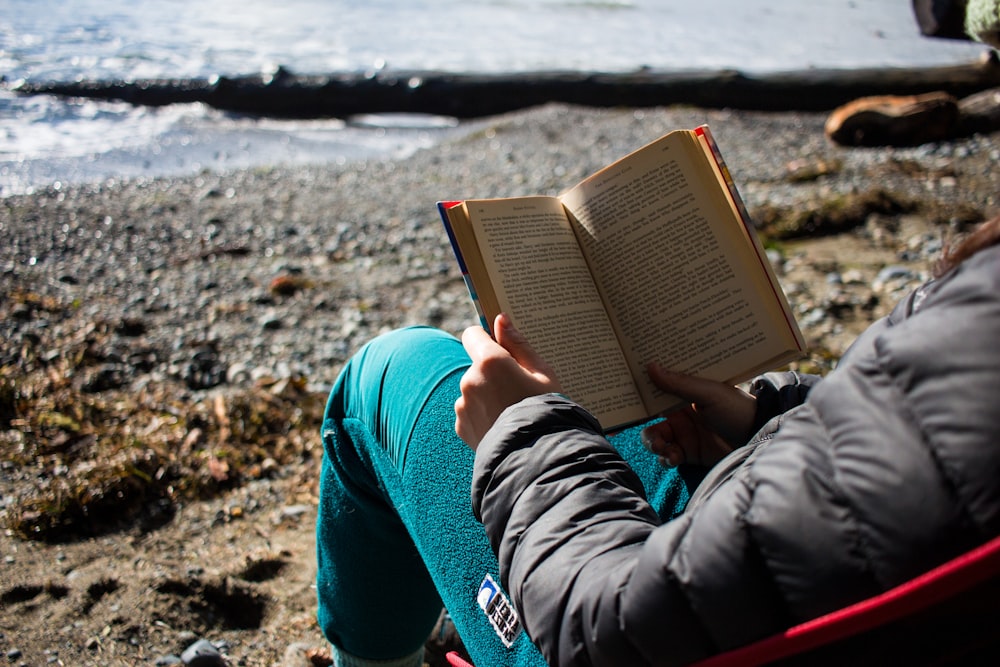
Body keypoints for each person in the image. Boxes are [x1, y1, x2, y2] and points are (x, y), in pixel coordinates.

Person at [316, 212, 1000, 667]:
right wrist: (775, 417)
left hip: (611, 628)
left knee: (389, 375)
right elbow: (927, 455)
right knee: (626, 414)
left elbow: (604, 629)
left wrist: (521, 439)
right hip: (783, 586)